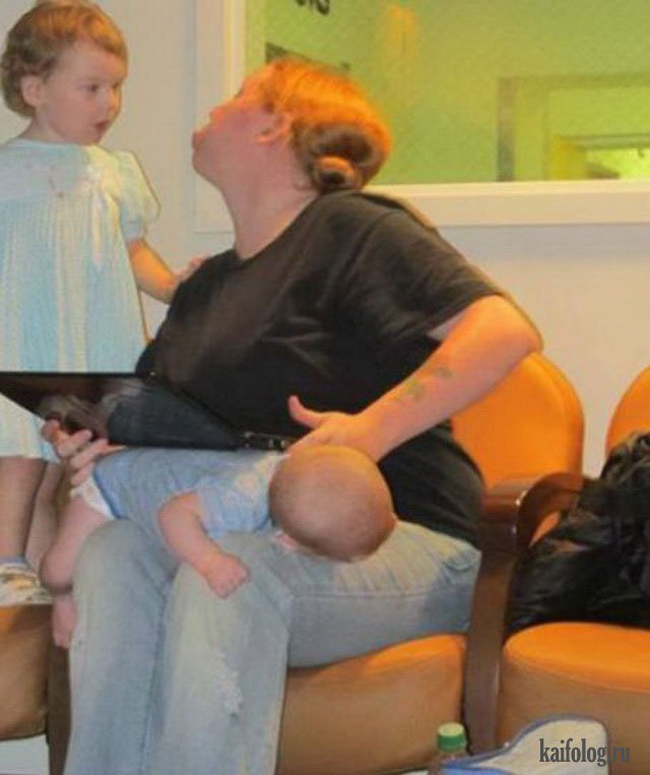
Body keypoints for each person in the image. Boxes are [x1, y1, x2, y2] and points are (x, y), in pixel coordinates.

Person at [47, 57, 542, 774]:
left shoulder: (351, 229)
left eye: (236, 97)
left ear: (276, 125)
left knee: (235, 571)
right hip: (251, 524)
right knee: (114, 551)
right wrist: (98, 447)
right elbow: (167, 429)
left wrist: (364, 434)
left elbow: (503, 333)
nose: (213, 110)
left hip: (393, 539)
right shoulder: (205, 288)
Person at [0, 1, 191, 605]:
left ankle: (44, 579)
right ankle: (6, 560)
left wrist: (174, 289)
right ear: (35, 90)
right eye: (92, 88)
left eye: (116, 87)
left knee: (59, 465)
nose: (110, 103)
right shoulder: (5, 170)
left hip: (89, 336)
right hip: (22, 334)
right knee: (19, 449)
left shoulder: (113, 173)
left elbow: (133, 250)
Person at [40, 444, 396, 646]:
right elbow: (173, 515)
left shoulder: (294, 476)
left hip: (175, 484)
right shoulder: (239, 501)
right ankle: (60, 599)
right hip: (113, 485)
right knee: (59, 570)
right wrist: (209, 561)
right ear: (286, 540)